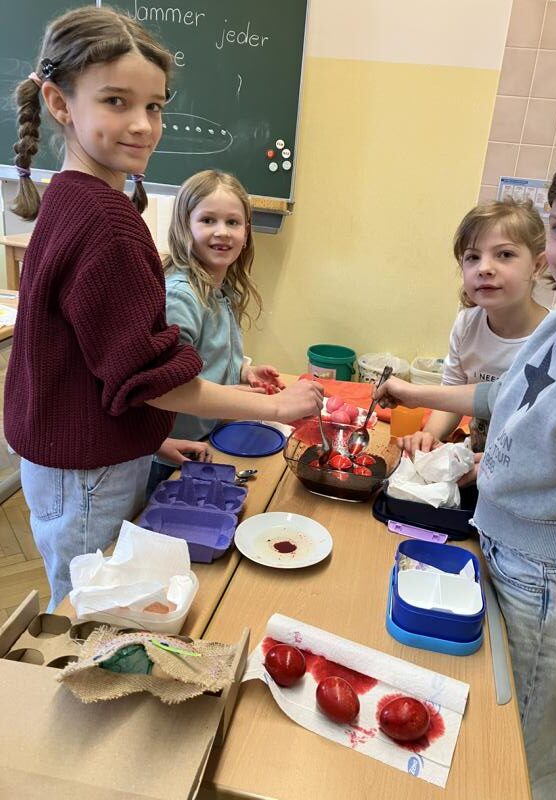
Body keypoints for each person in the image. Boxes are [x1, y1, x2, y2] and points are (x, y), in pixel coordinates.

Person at [5, 6, 322, 611]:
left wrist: (149, 442)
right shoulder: (108, 223)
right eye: (116, 102)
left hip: (77, 461)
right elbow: (155, 381)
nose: (143, 125)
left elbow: (99, 364)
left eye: (153, 106)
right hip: (86, 472)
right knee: (87, 606)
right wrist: (277, 406)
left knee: (86, 591)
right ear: (60, 102)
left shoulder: (70, 199)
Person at [374, 137, 556, 800]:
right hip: (504, 544)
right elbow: (503, 395)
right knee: (501, 711)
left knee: (535, 740)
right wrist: (413, 394)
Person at [147, 170, 284, 494]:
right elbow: (167, 386)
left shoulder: (221, 289)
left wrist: (243, 371)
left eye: (232, 222)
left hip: (209, 439)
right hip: (173, 453)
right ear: (184, 227)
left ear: (246, 232)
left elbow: (206, 358)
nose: (222, 232)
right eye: (208, 220)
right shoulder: (181, 297)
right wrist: (242, 399)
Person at [404, 199, 548, 485]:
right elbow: (451, 397)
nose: (485, 268)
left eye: (505, 254)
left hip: (526, 481)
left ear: (537, 265)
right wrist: (429, 436)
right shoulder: (466, 324)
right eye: (472, 257)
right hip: (475, 464)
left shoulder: (554, 338)